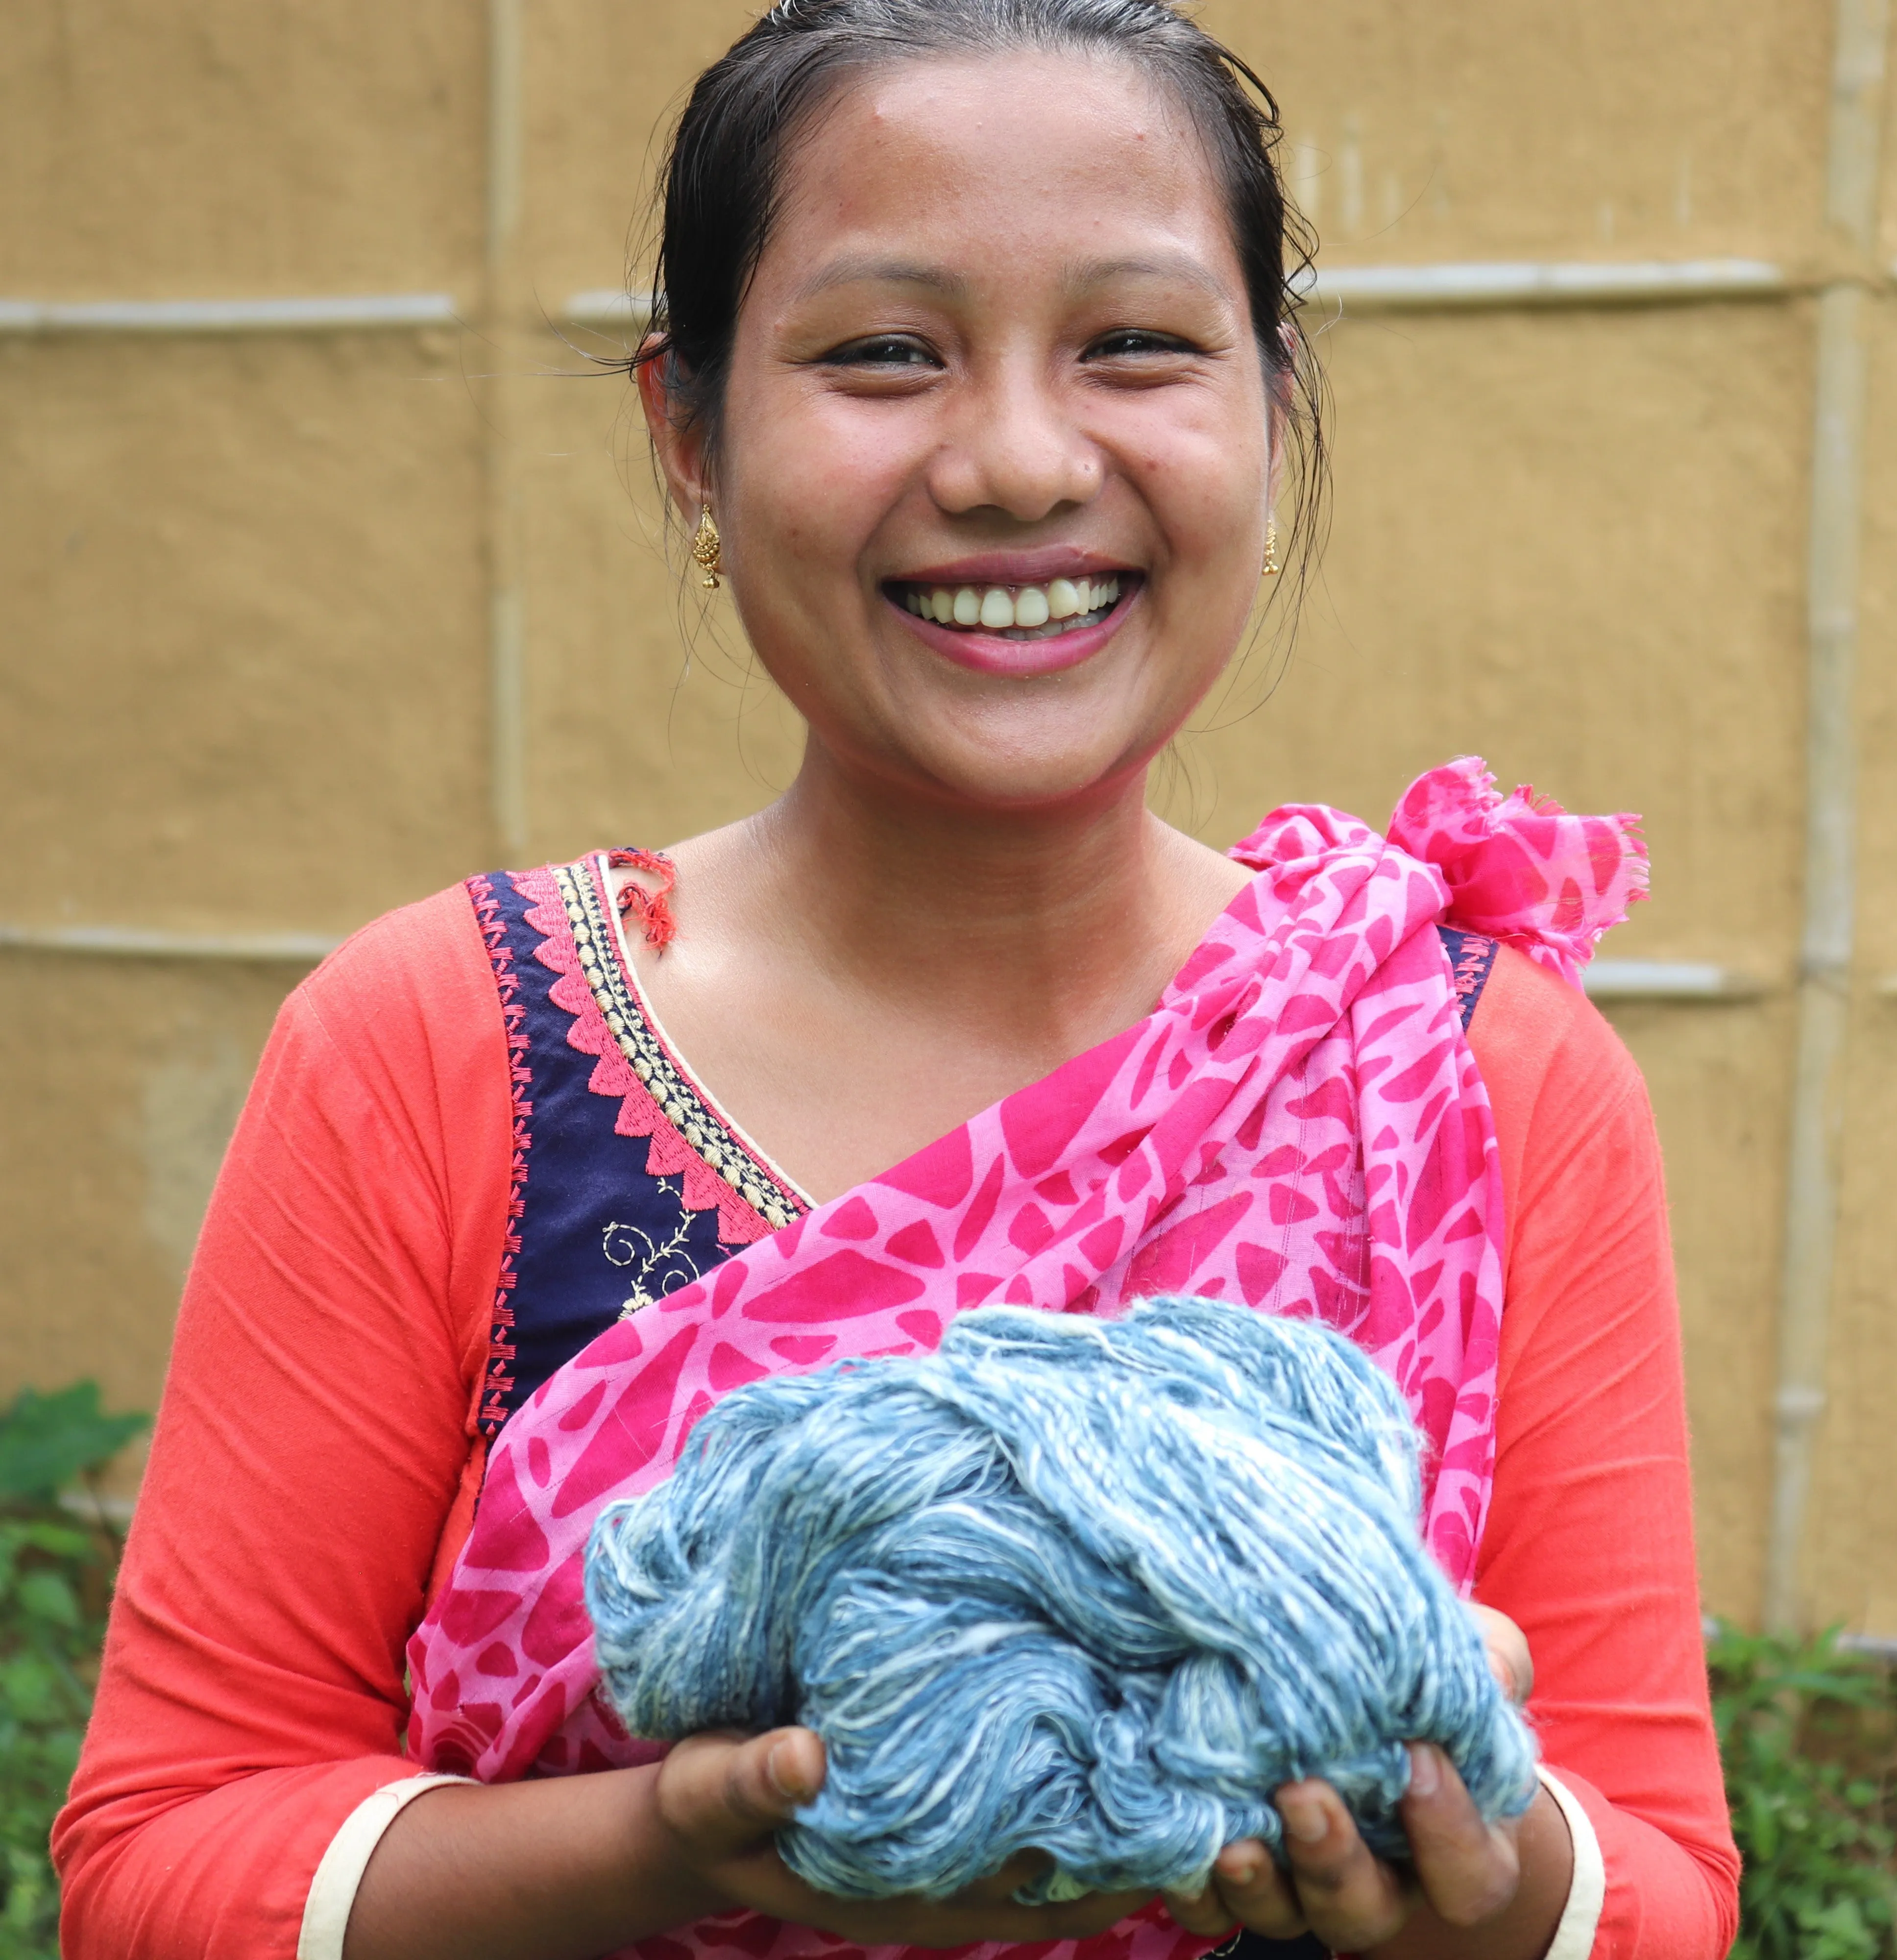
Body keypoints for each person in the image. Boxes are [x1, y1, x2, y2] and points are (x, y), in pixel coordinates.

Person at [54, 3, 1740, 1957]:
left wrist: (1469, 1858)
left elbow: (1662, 1892)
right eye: (880, 354)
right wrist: (664, 1845)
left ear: (1273, 404)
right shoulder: (440, 1047)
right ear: (685, 433)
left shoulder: (1465, 1071)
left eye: (1134, 343)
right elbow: (165, 1856)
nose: (1019, 463)